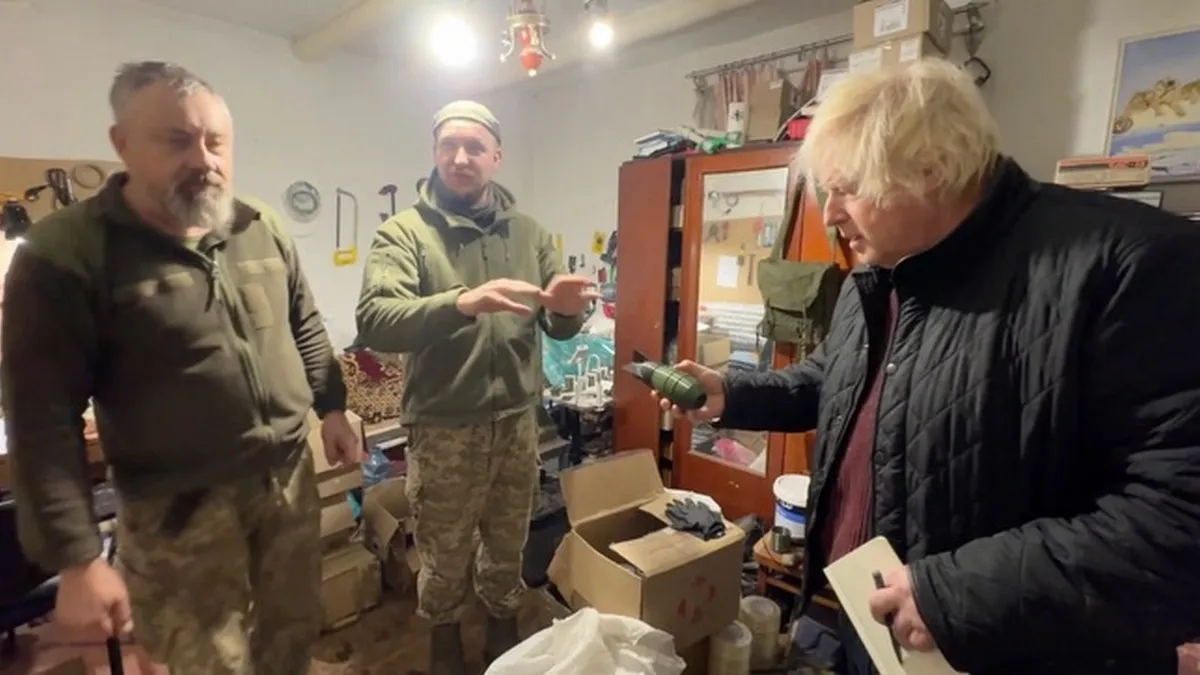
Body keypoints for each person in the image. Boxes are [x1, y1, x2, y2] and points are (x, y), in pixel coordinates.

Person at [654, 58, 1200, 675]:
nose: (830, 214)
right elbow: (833, 379)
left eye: (847, 189)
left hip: (996, 647)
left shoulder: (1136, 265)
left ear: (931, 170)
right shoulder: (881, 271)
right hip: (875, 622)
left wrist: (955, 594)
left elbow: (1179, 517)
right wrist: (730, 393)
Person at [1, 61, 362, 675]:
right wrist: (77, 558)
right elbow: (41, 418)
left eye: (216, 141)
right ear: (122, 144)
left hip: (286, 480)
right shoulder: (67, 254)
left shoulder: (259, 225)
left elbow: (304, 322)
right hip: (177, 509)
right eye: (176, 140)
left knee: (292, 633)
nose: (203, 159)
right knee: (206, 662)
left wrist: (332, 407)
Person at [356, 100, 597, 674]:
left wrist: (568, 311)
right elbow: (375, 320)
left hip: (516, 421)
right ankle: (444, 642)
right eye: (449, 146)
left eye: (474, 147)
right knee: (443, 548)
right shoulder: (405, 233)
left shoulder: (530, 234)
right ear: (435, 152)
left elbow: (558, 325)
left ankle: (501, 631)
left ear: (496, 156)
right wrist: (460, 304)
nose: (460, 158)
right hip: (443, 424)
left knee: (508, 537)